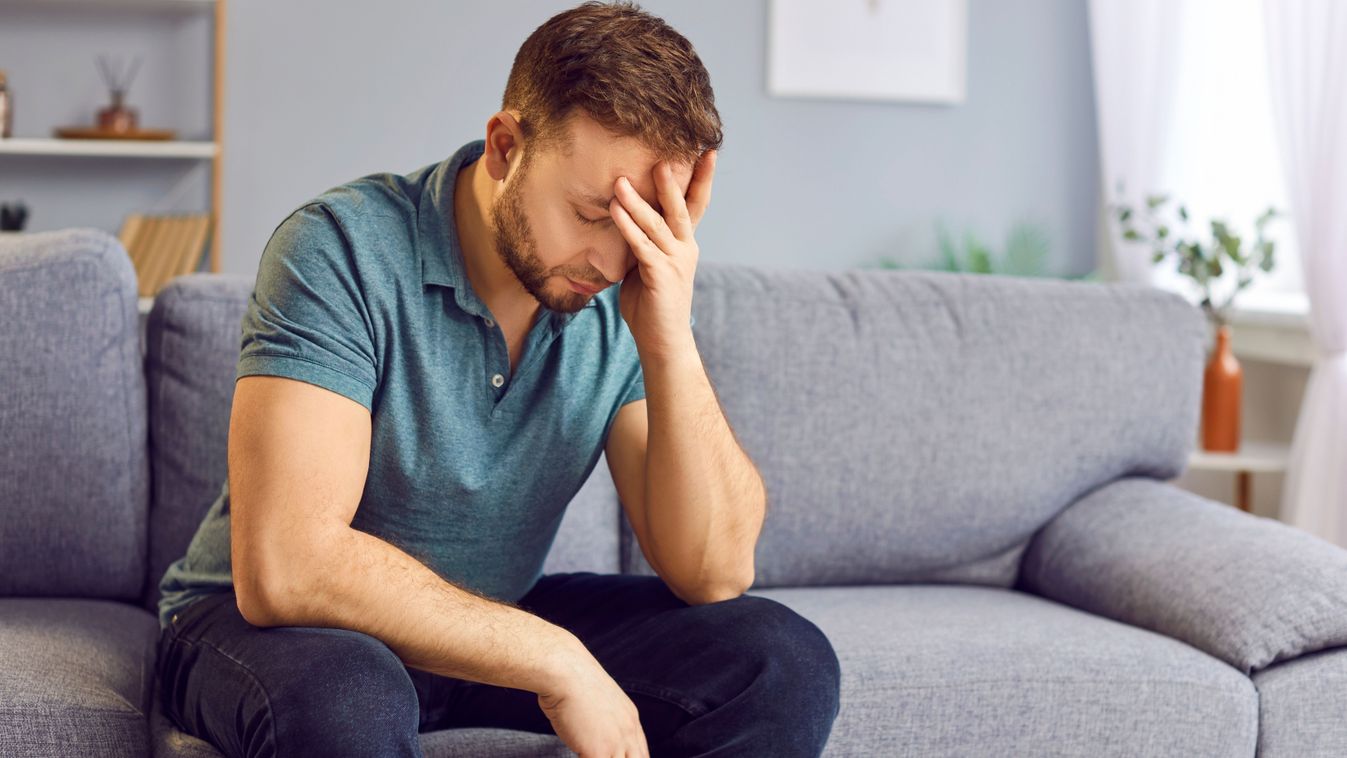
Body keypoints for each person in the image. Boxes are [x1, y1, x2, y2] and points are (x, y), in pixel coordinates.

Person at [154, 2, 841, 756]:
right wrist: (554, 658)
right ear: (506, 146)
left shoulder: (623, 292)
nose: (611, 263)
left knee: (781, 659)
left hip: (487, 616)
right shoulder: (340, 248)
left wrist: (666, 334)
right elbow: (288, 567)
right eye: (589, 214)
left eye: (641, 226)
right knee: (346, 695)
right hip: (267, 630)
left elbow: (712, 573)